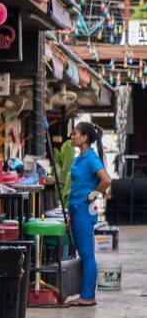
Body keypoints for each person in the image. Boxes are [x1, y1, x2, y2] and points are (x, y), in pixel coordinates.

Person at [65, 121, 113, 306]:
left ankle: (87, 295)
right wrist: (71, 211)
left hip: (84, 211)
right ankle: (85, 293)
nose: (72, 136)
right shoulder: (80, 158)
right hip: (76, 210)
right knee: (83, 253)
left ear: (84, 138)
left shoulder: (91, 158)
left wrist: (94, 193)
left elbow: (106, 180)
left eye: (75, 133)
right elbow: (77, 185)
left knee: (87, 255)